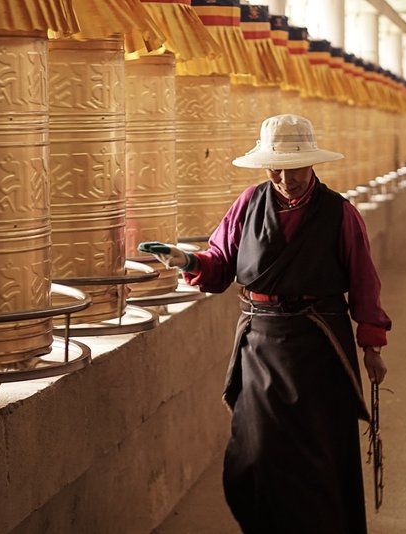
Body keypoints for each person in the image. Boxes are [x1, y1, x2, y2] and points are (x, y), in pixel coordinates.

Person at [138, 114, 391, 533]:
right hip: (260, 344)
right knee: (256, 453)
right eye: (276, 168)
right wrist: (184, 259)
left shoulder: (340, 214)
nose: (285, 178)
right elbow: (219, 266)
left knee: (316, 453)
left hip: (318, 344)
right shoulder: (247, 204)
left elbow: (364, 281)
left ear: (312, 165)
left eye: (294, 168)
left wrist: (372, 345)